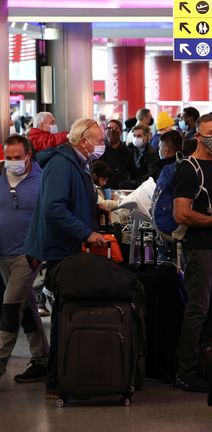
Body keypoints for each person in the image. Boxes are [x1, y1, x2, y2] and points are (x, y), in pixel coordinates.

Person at [23, 118, 108, 398]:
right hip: (61, 249)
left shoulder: (76, 163)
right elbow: (54, 209)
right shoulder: (62, 165)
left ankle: (62, 376)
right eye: (98, 139)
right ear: (83, 140)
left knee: (66, 309)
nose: (101, 145)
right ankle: (56, 380)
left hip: (67, 246)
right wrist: (86, 233)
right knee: (63, 312)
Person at [171, 114, 212, 392]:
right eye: (210, 132)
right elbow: (181, 213)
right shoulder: (189, 168)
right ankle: (184, 370)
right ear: (198, 135)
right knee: (198, 308)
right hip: (198, 248)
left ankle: (206, 363)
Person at [0, 135, 49, 384]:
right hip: (2, 254)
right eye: (8, 157)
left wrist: (39, 250)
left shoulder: (41, 181)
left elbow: (47, 218)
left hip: (27, 254)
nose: (12, 162)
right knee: (25, 304)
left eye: (17, 157)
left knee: (10, 306)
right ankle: (41, 359)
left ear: (28, 155)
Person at [99, 119, 137, 189]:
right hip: (104, 190)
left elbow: (133, 174)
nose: (111, 131)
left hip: (122, 190)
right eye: (109, 128)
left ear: (120, 132)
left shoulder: (127, 152)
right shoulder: (100, 151)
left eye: (115, 128)